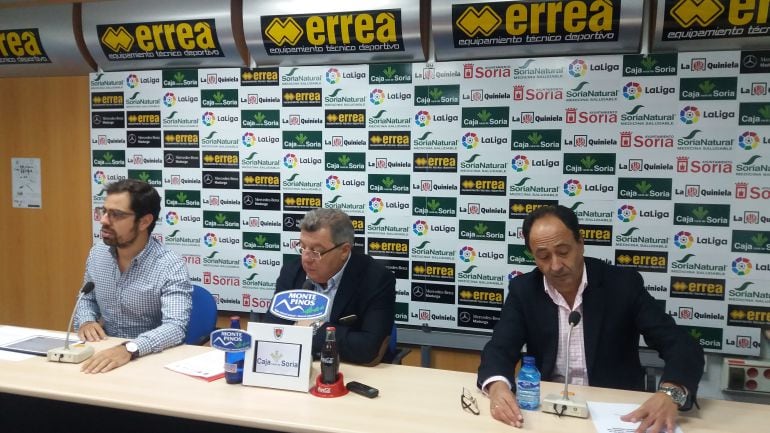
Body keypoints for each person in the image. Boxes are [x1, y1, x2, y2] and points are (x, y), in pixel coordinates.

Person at [478, 205, 703, 433]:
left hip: (615, 413)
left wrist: (670, 393)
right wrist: (497, 387)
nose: (555, 265)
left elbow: (682, 345)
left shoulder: (622, 285)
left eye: (563, 251)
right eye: (543, 256)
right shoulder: (524, 290)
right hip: (549, 412)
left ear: (580, 244)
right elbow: (499, 349)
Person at [75, 179, 192, 373]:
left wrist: (129, 348)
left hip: (150, 361)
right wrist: (87, 320)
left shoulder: (170, 265)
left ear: (144, 221)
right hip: (103, 354)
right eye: (104, 211)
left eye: (116, 215)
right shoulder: (98, 254)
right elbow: (87, 298)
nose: (103, 220)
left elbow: (175, 327)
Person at [264, 208, 396, 365]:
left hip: (355, 371)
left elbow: (368, 348)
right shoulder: (292, 272)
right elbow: (273, 330)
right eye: (302, 247)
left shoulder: (375, 279)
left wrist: (315, 328)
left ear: (344, 251)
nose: (306, 258)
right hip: (295, 366)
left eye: (316, 251)